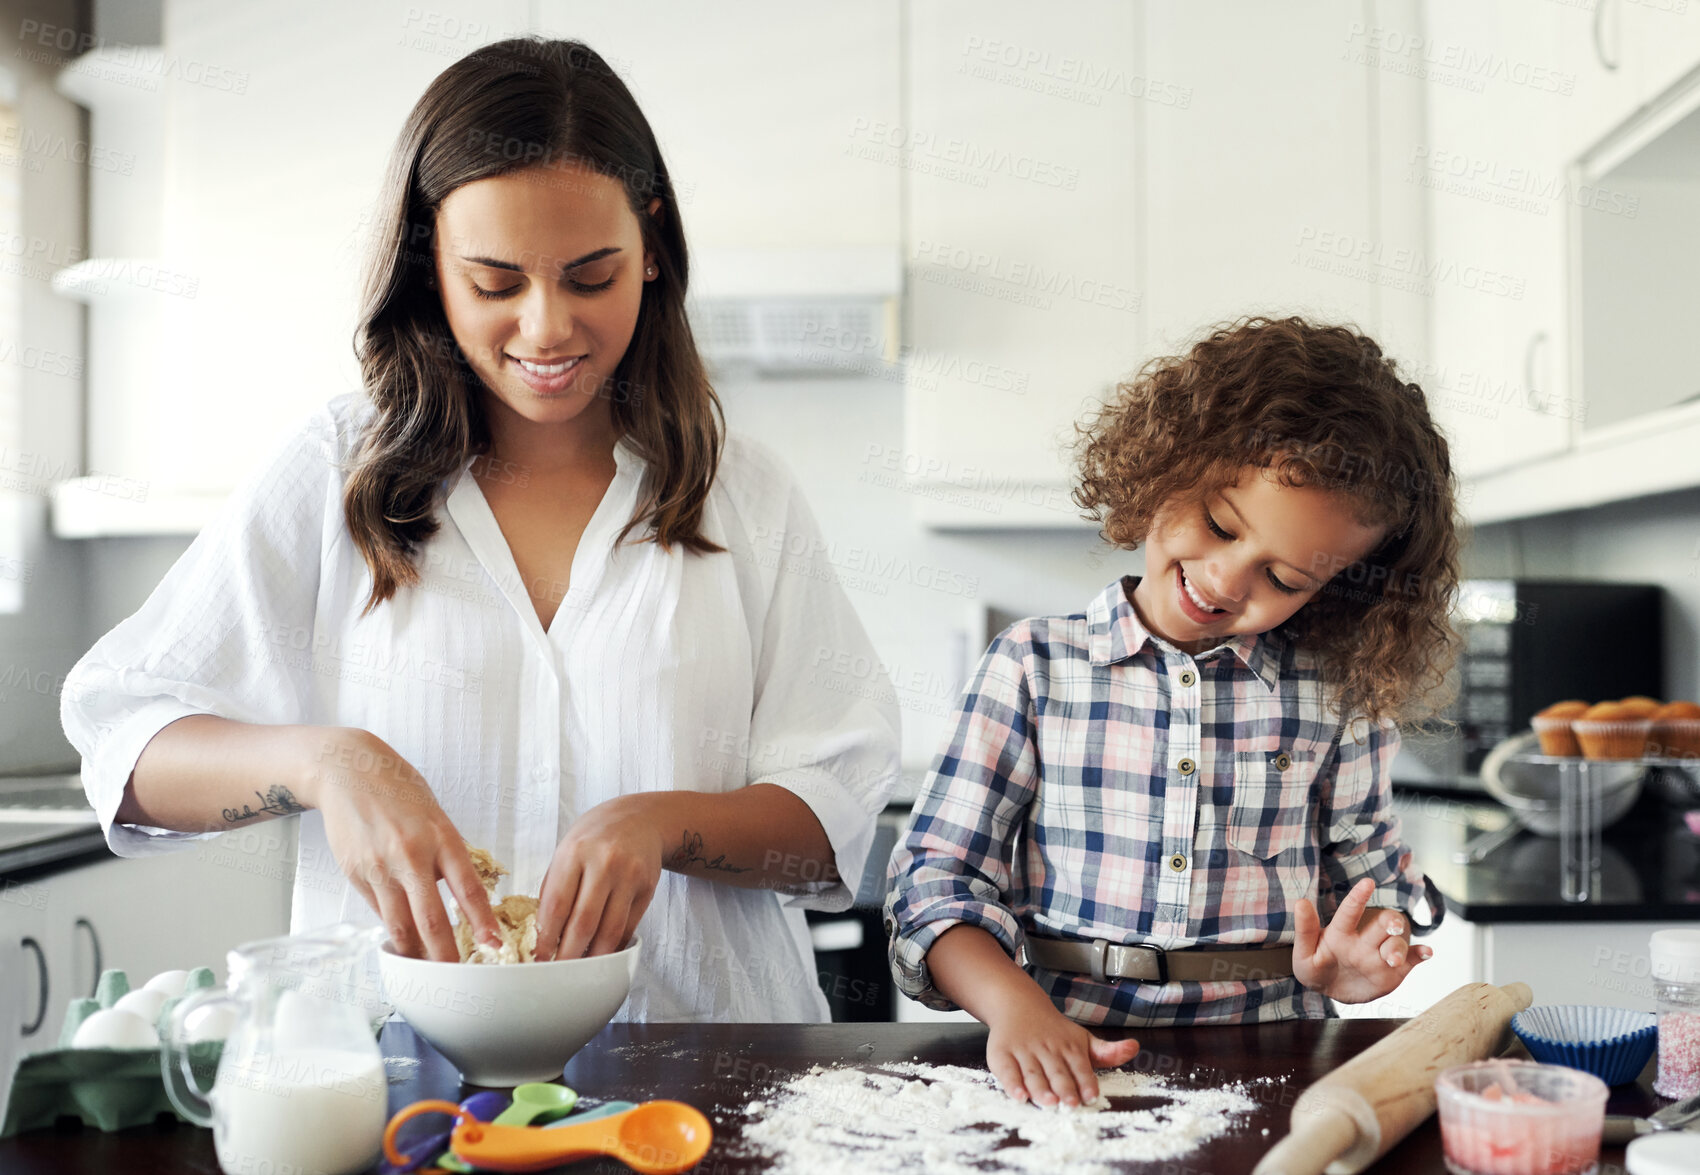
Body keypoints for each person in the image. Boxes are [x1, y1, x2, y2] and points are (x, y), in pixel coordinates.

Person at [61, 37, 899, 1023]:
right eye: (495, 282)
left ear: (652, 243)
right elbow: (125, 744)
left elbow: (835, 809)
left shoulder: (742, 494)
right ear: (429, 265)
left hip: (705, 1074)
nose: (546, 328)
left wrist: (666, 824)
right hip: (401, 1083)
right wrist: (325, 763)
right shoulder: (334, 471)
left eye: (591, 277)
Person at [885, 316, 1457, 1105]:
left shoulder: (1337, 699)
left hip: (1276, 1063)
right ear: (1168, 463)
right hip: (1064, 1055)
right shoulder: (1033, 664)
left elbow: (1373, 883)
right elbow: (933, 881)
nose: (1225, 580)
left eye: (1284, 578)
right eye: (1220, 525)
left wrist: (1366, 951)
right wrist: (1013, 1006)